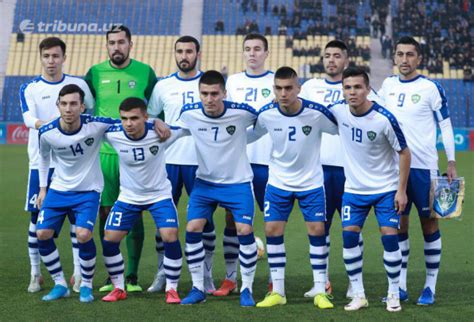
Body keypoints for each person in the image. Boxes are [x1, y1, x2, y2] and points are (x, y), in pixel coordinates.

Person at [247, 67, 337, 309]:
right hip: (278, 183)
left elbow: (342, 129)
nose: (283, 93)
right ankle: (278, 291)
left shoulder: (316, 113)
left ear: (299, 88)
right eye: (279, 88)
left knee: (317, 230)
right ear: (273, 90)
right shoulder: (266, 114)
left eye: (288, 88)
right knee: (272, 230)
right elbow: (249, 136)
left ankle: (320, 290)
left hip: (311, 183)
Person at [300, 40, 382, 297]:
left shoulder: (359, 89)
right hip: (319, 169)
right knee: (320, 227)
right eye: (327, 56)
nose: (331, 60)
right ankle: (321, 281)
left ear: (346, 60)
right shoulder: (311, 87)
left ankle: (353, 282)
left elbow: (379, 119)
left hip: (350, 172)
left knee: (352, 229)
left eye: (337, 56)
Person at [378, 36, 457, 305]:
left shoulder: (431, 88)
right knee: (398, 225)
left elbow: (445, 125)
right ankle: (399, 285)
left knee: (429, 224)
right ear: (394, 58)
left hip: (424, 168)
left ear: (419, 59)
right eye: (399, 54)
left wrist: (451, 162)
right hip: (393, 168)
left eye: (410, 54)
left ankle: (430, 286)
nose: (404, 59)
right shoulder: (386, 85)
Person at [329, 67, 411, 312]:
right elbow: (309, 111)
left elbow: (405, 153)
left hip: (386, 189)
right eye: (347, 87)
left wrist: (401, 190)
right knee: (349, 237)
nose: (352, 92)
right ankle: (359, 294)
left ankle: (394, 292)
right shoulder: (337, 111)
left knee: (389, 239)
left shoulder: (384, 118)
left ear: (367, 89)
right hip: (354, 190)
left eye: (357, 87)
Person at [175, 71, 258, 306]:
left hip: (237, 182)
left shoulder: (242, 113)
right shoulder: (189, 113)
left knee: (243, 230)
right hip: (205, 184)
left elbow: (263, 124)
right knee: (193, 227)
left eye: (214, 94)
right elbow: (175, 130)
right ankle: (198, 287)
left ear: (224, 93)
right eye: (204, 94)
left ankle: (247, 289)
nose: (209, 98)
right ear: (199, 93)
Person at [85, 25, 157, 292]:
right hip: (103, 155)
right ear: (107, 45)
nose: (116, 47)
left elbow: (156, 106)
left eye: (121, 42)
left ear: (130, 44)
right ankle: (113, 275)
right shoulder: (94, 73)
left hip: (134, 154)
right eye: (112, 43)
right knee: (106, 213)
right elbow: (85, 107)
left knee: (134, 211)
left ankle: (133, 276)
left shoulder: (145, 72)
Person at [19, 36, 94, 293]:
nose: (51, 61)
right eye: (46, 56)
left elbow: (90, 113)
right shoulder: (29, 88)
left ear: (64, 57)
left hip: (74, 164)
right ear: (41, 58)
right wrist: (52, 129)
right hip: (40, 162)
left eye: (56, 56)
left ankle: (78, 275)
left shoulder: (79, 84)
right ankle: (35, 273)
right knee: (36, 220)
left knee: (76, 221)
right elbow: (29, 117)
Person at [147, 36, 217, 294]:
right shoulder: (163, 86)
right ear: (174, 54)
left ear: (198, 53)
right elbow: (151, 116)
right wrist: (156, 122)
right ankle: (163, 271)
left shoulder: (209, 85)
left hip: (202, 163)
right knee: (163, 220)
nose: (184, 55)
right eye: (180, 51)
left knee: (204, 221)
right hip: (168, 162)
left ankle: (206, 274)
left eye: (189, 51)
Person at [36, 84, 118, 302]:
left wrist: (155, 122)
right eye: (63, 104)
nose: (68, 108)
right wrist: (43, 189)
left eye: (73, 104)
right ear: (58, 106)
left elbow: (128, 123)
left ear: (82, 107)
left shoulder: (96, 125)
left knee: (83, 234)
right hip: (58, 190)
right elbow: (43, 159)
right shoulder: (47, 132)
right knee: (42, 234)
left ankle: (86, 286)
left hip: (88, 191)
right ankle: (60, 283)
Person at [101, 97, 185, 304]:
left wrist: (159, 121)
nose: (128, 123)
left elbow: (190, 126)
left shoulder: (161, 133)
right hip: (129, 196)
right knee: (110, 238)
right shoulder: (113, 133)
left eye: (134, 118)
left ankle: (172, 289)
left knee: (170, 235)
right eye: (124, 119)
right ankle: (119, 287)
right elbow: (87, 124)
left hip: (159, 195)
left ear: (145, 117)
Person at [214, 32, 274, 296]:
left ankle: (276, 279)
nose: (252, 53)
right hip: (238, 165)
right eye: (248, 48)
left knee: (274, 223)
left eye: (257, 49)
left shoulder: (277, 81)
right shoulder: (234, 82)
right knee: (231, 221)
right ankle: (230, 278)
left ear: (266, 53)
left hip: (271, 163)